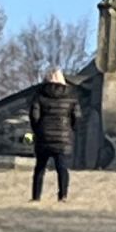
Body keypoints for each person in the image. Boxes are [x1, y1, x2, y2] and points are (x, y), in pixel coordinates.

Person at [28, 68, 80, 203]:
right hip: (63, 138)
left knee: (40, 168)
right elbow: (77, 117)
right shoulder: (71, 97)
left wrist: (38, 130)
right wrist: (71, 130)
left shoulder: (39, 95)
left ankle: (36, 196)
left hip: (43, 137)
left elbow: (34, 116)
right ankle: (63, 196)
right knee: (62, 168)